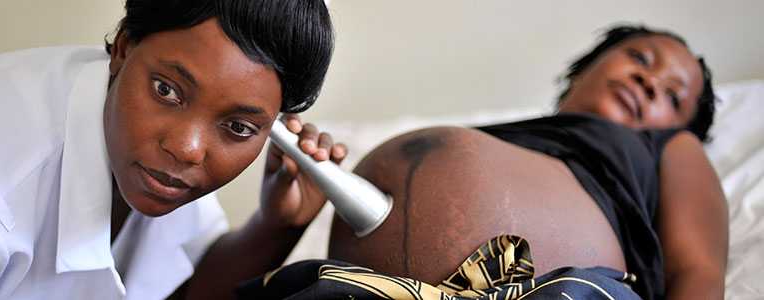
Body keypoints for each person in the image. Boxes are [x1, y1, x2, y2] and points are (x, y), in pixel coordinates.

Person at [0, 0, 346, 299]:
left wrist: (275, 226)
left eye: (237, 126)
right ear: (122, 48)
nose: (187, 148)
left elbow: (184, 285)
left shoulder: (148, 152)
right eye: (167, 90)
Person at [237, 25, 725, 300]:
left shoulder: (668, 148)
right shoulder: (519, 140)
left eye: (671, 95)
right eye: (639, 59)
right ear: (584, 69)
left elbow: (698, 270)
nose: (647, 83)